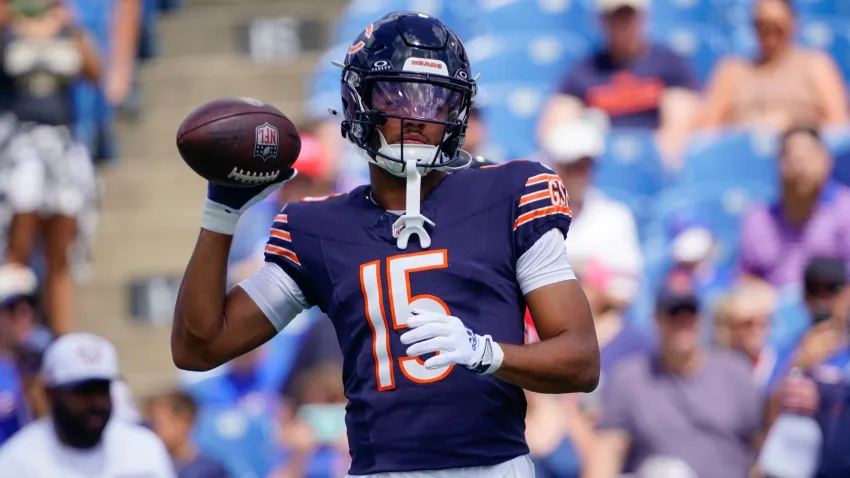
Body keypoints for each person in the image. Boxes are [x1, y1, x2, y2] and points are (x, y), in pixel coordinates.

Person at [171, 11, 600, 478]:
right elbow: (199, 347)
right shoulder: (316, 226)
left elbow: (580, 360)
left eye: (434, 100)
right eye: (396, 94)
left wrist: (484, 352)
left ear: (457, 111)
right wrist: (222, 212)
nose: (415, 116)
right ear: (357, 104)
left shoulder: (511, 193)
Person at [583, 271, 762, 478]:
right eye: (673, 314)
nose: (682, 323)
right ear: (657, 319)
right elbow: (607, 451)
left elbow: (760, 446)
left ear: (701, 318)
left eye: (689, 314)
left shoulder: (735, 373)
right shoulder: (630, 378)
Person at [0, 0, 102, 335]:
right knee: (19, 246)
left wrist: (70, 26)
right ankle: (14, 336)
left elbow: (94, 72)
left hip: (62, 146)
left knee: (61, 253)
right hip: (19, 147)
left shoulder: (65, 26)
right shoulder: (6, 26)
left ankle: (62, 335)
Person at [536, 0, 699, 161]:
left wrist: (656, 161)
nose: (622, 24)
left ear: (643, 17)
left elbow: (679, 127)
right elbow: (555, 128)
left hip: (654, 160)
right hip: (599, 162)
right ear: (600, 21)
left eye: (627, 15)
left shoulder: (668, 64)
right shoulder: (585, 71)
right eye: (614, 17)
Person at [0, 332, 175, 477]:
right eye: (83, 391)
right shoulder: (16, 463)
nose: (96, 402)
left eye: (102, 389)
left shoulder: (144, 449)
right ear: (50, 393)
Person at [700, 0, 848, 130]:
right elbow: (708, 131)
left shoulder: (816, 65)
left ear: (793, 24)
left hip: (800, 153)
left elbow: (838, 126)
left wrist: (793, 128)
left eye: (776, 26)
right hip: (742, 156)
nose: (770, 35)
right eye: (762, 26)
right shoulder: (731, 70)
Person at [739, 126, 850, 289]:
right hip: (772, 309)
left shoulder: (845, 210)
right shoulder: (759, 217)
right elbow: (746, 277)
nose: (800, 167)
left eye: (808, 157)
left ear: (826, 160)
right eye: (792, 158)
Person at [146, 390, 230, 478]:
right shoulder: (149, 466)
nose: (153, 429)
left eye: (158, 422)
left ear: (184, 421)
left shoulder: (209, 470)